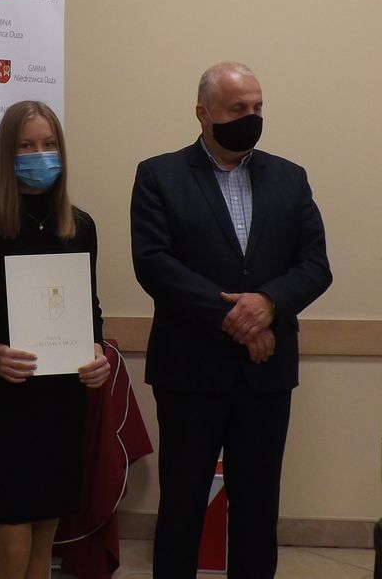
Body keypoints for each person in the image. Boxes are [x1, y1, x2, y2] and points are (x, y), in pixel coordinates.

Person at [130, 62, 332, 579]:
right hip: (189, 373)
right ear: (203, 114)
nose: (251, 117)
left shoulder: (290, 178)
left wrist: (269, 304)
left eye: (258, 106)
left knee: (258, 512)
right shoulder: (159, 175)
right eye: (238, 108)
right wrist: (237, 319)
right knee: (181, 509)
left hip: (266, 376)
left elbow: (315, 265)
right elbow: (154, 264)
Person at [0, 101, 111, 579]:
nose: (40, 154)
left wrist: (97, 350)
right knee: (12, 547)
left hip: (62, 399)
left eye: (49, 144)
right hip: (4, 399)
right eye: (27, 145)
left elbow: (89, 308)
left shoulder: (80, 225)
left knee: (42, 542)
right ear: (7, 154)